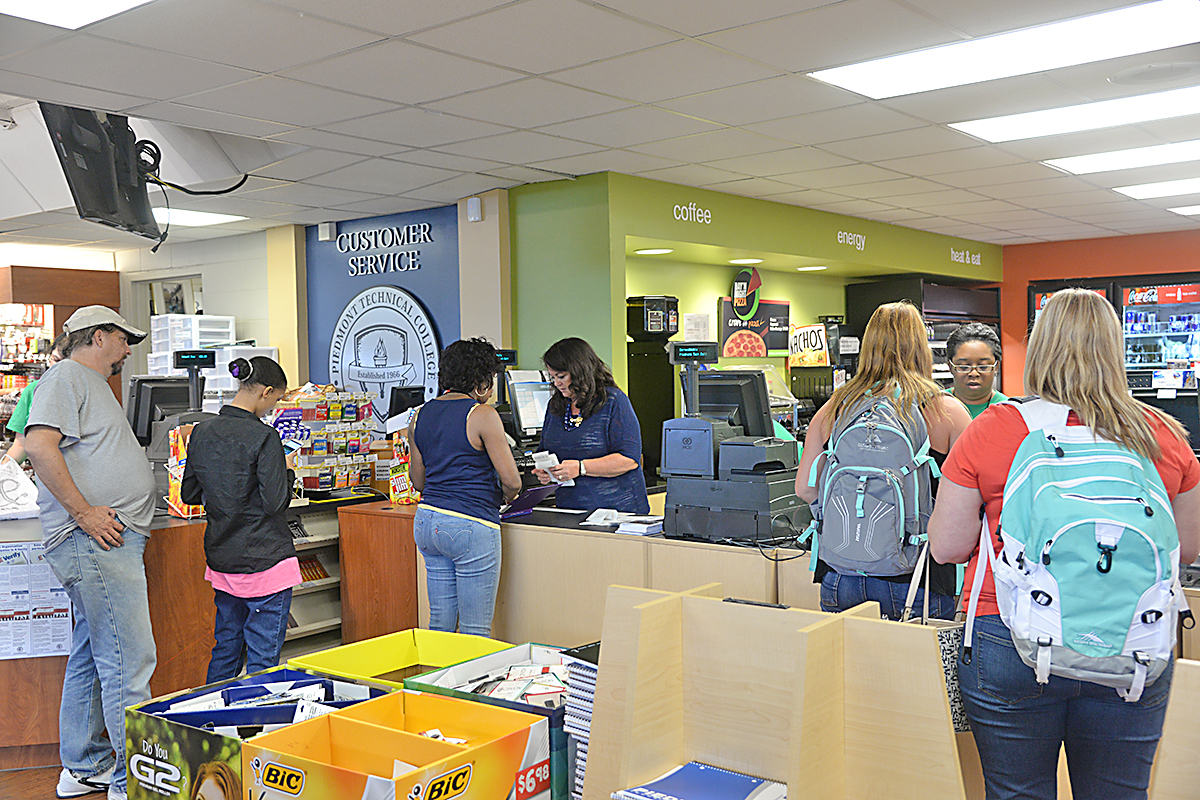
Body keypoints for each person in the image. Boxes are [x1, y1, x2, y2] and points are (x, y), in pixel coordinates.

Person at [929, 288, 1200, 800]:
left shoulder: (994, 428)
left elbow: (945, 546)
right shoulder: (1163, 435)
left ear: (1039, 347)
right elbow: (1183, 550)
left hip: (1007, 634)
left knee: (1016, 792)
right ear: (1114, 349)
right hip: (1131, 642)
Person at [24, 306, 156, 800]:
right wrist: (84, 513)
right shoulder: (67, 375)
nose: (127, 350)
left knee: (93, 653)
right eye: (123, 339)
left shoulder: (87, 382)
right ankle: (133, 780)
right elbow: (39, 446)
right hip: (95, 539)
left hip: (103, 540)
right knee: (130, 658)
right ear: (98, 337)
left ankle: (83, 768)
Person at [795, 301, 971, 620]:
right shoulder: (946, 411)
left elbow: (805, 489)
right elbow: (968, 503)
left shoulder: (834, 407)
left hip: (840, 574)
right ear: (921, 348)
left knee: (844, 670)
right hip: (918, 578)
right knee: (915, 671)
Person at [181, 356, 298, 683]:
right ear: (267, 392)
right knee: (263, 657)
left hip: (223, 561)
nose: (272, 407)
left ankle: (214, 723)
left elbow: (189, 494)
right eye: (275, 399)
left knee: (226, 647)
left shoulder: (202, 432)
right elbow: (276, 503)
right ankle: (257, 728)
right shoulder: (264, 437)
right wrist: (287, 471)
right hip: (265, 563)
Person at [408, 338, 521, 636]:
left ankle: (433, 680)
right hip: (470, 522)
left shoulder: (419, 416)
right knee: (475, 629)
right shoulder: (482, 415)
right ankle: (473, 685)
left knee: (440, 625)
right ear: (482, 383)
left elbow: (417, 481)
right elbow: (512, 480)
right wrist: (509, 497)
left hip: (427, 522)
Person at [534, 337, 650, 514]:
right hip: (571, 510)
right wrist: (547, 472)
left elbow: (629, 460)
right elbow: (546, 450)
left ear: (580, 372)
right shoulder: (556, 406)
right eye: (553, 377)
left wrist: (581, 468)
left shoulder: (613, 401)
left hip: (617, 512)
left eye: (561, 377)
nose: (557, 383)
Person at [5, 332, 67, 465]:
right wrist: (4, 472)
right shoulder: (33, 390)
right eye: (55, 360)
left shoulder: (86, 392)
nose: (58, 368)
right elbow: (21, 445)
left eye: (66, 363)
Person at [944, 322, 1006, 418]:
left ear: (996, 367)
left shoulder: (1009, 410)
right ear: (950, 367)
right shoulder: (935, 407)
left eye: (983, 367)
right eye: (964, 367)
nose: (974, 373)